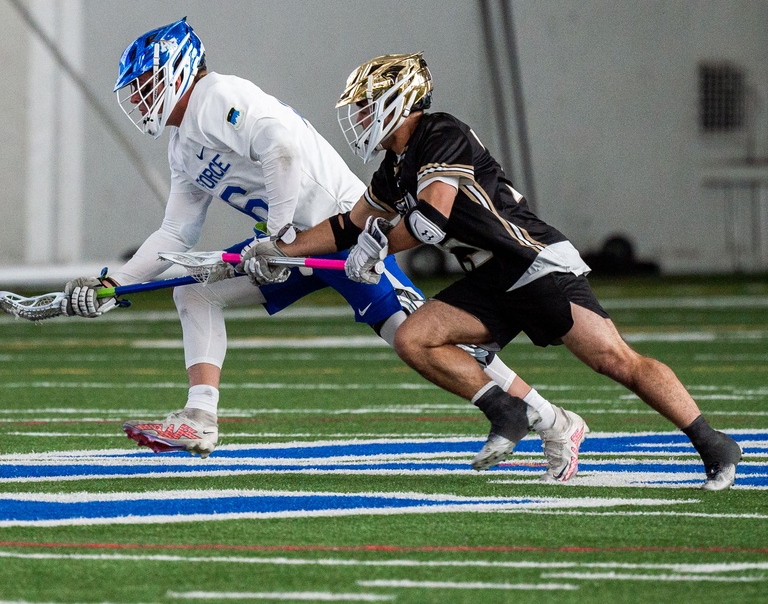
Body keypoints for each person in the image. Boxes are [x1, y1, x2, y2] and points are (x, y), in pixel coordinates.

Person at [66, 19, 585, 481]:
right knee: (197, 294)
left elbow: (283, 150)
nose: (138, 98)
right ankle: (200, 418)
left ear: (178, 73)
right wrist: (115, 285)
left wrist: (276, 233)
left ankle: (552, 419)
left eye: (146, 84)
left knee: (420, 336)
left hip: (340, 236)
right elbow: (175, 235)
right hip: (292, 244)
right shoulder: (184, 143)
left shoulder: (215, 96)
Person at [243, 52, 742, 491]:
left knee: (614, 360)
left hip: (532, 263)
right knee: (414, 337)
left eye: (368, 104)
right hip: (490, 278)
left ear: (401, 100)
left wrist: (378, 246)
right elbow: (349, 225)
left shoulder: (441, 132)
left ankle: (712, 442)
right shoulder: (394, 166)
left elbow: (431, 220)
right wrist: (279, 247)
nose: (359, 114)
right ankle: (505, 410)